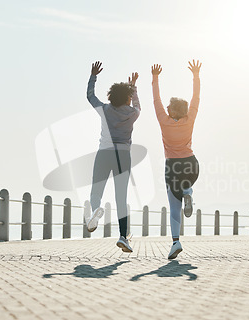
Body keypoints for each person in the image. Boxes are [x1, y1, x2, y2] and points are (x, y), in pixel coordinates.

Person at [86, 61, 140, 253]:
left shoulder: (105, 110)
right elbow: (137, 105)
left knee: (97, 188)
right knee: (121, 196)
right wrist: (133, 87)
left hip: (104, 153)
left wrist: (93, 76)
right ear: (127, 98)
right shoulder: (132, 114)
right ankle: (123, 237)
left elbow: (90, 96)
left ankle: (94, 211)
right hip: (123, 156)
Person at [151, 60, 201, 259]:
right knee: (186, 186)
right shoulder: (190, 119)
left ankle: (175, 242)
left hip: (172, 166)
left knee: (174, 207)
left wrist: (155, 78)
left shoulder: (164, 120)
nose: (166, 106)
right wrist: (196, 76)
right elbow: (196, 97)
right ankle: (188, 190)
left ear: (171, 111)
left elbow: (156, 100)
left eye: (168, 105)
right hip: (191, 164)